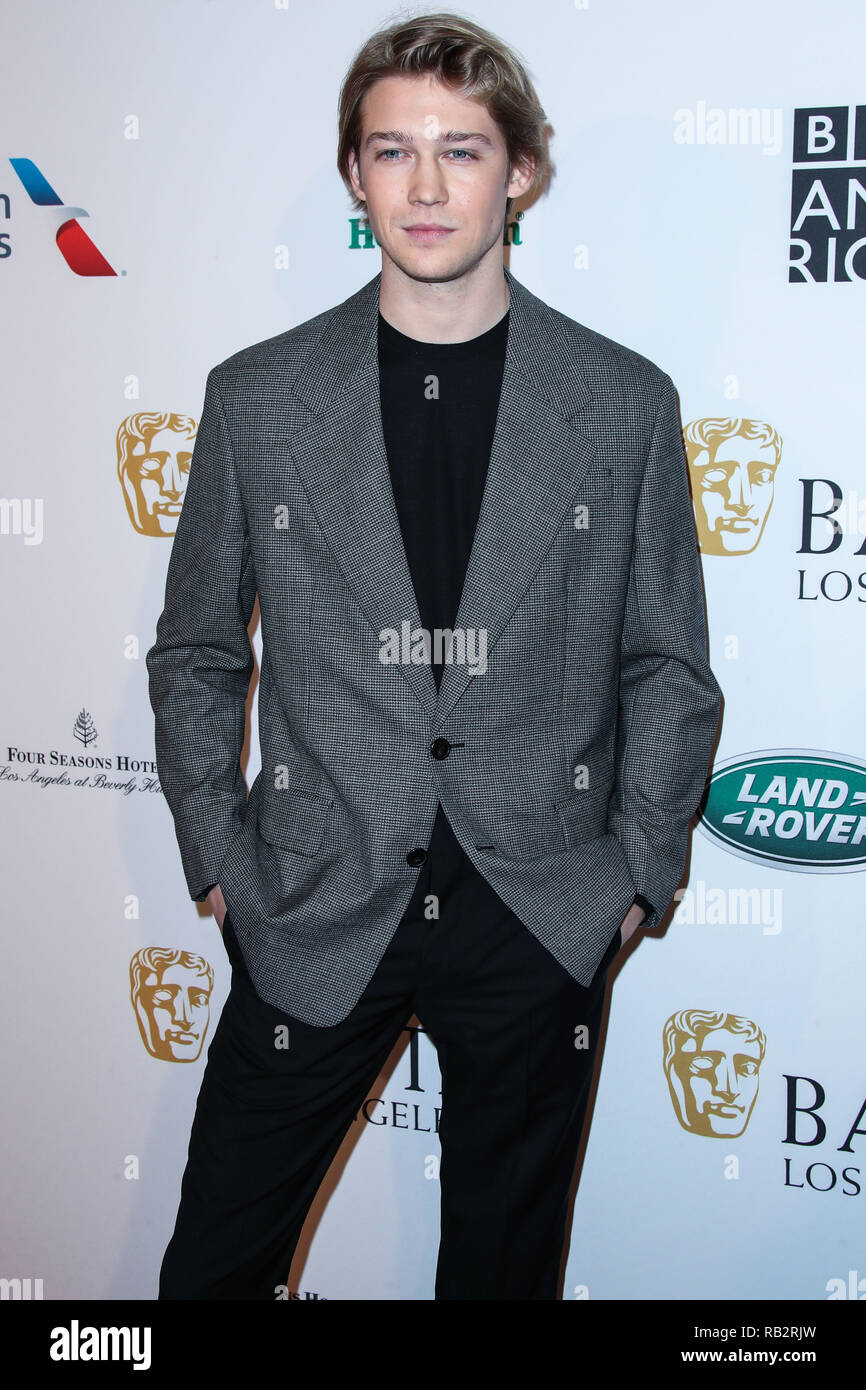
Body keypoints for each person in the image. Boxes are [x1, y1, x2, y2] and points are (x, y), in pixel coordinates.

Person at [146, 10, 722, 1300]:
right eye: (391, 150)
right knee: (213, 1268)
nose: (424, 185)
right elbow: (194, 652)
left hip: (539, 911)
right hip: (314, 895)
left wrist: (633, 875)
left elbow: (668, 669)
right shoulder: (259, 398)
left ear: (520, 171)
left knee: (502, 1281)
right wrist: (221, 860)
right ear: (354, 174)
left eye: (461, 151)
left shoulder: (623, 401)